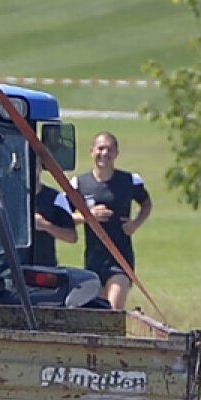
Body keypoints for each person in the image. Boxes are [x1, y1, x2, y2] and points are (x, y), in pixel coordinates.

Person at [70, 132, 152, 309]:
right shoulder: (79, 183)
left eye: (109, 149)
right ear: (92, 151)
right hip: (94, 259)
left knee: (113, 310)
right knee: (97, 312)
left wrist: (135, 224)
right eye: (100, 148)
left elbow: (146, 204)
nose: (104, 153)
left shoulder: (129, 181)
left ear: (116, 153)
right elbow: (65, 216)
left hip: (120, 257)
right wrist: (87, 216)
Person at [31, 159, 77, 267]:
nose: (31, 168)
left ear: (40, 168)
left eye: (34, 164)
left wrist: (46, 226)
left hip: (44, 266)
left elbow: (72, 236)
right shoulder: (9, 196)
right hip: (12, 264)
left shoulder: (56, 198)